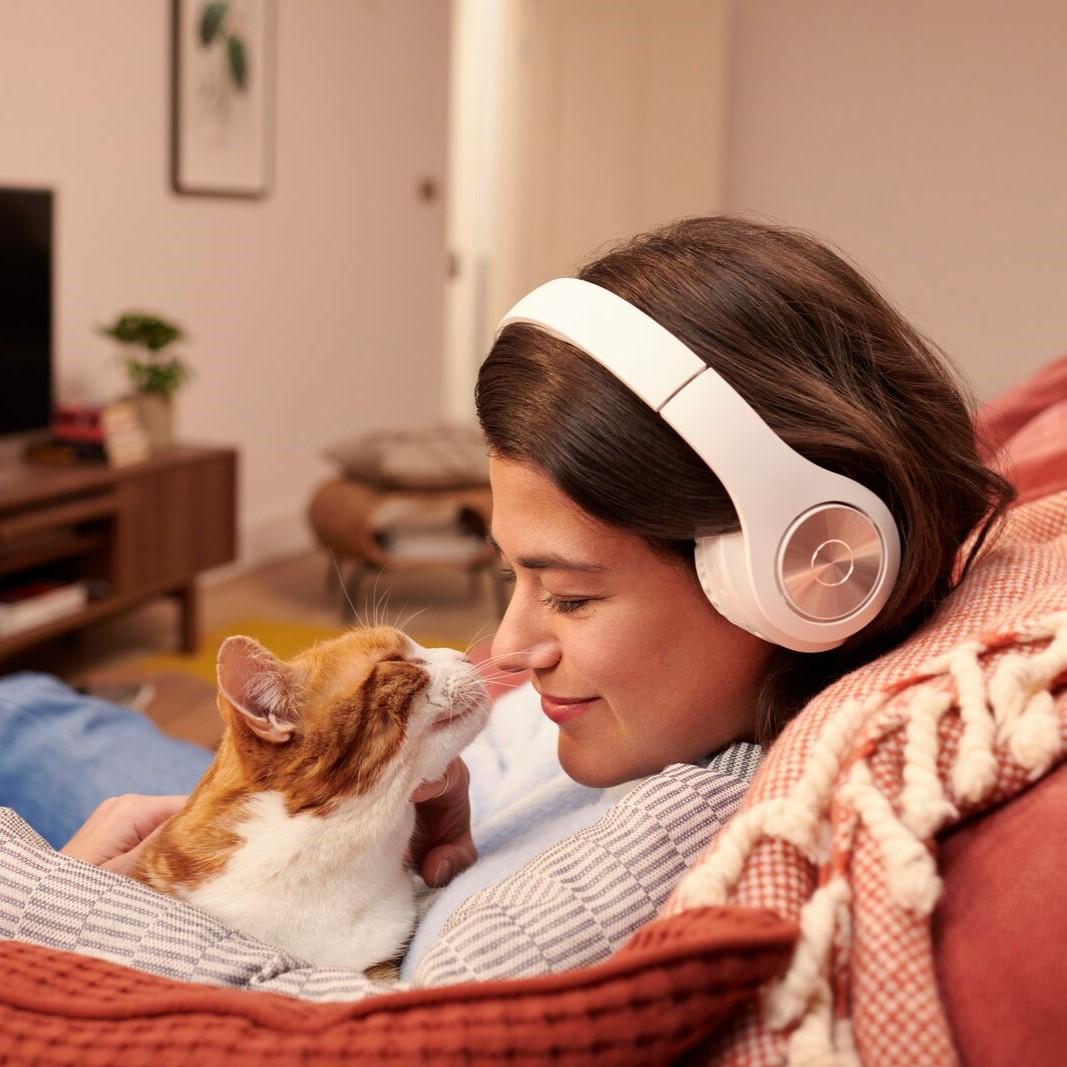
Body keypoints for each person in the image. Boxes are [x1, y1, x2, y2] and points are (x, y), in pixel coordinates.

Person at [9, 215, 1013, 979]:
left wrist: (55, 902)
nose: (509, 646)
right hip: (341, 831)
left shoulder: (663, 839)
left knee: (23, 713)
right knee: (30, 708)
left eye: (569, 596)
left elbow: (353, 1026)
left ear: (808, 569)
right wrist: (441, 781)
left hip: (242, 916)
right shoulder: (684, 710)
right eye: (510, 575)